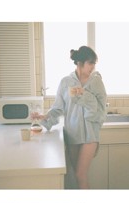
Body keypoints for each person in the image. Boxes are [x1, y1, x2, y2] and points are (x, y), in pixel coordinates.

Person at [33, 46, 107, 189]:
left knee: (81, 175)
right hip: (72, 134)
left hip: (90, 135)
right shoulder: (65, 82)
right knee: (76, 175)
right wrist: (44, 116)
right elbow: (58, 108)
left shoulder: (96, 82)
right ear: (80, 62)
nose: (93, 67)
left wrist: (85, 96)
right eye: (90, 63)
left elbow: (103, 108)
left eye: (94, 63)